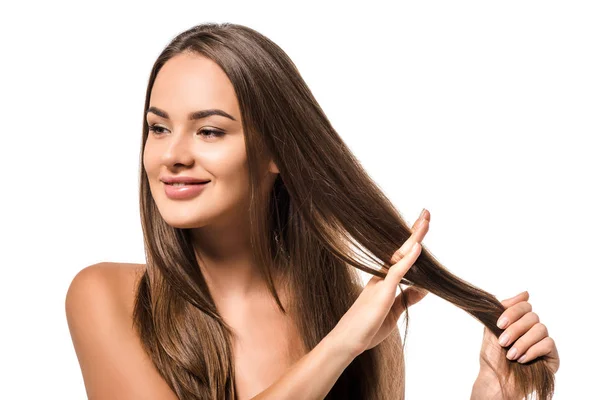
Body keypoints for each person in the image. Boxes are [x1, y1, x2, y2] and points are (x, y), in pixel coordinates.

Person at [65, 22, 559, 400]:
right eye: (158, 128)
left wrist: (491, 393)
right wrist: (342, 345)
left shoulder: (353, 320)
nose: (172, 154)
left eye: (209, 131)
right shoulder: (107, 298)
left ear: (278, 150)